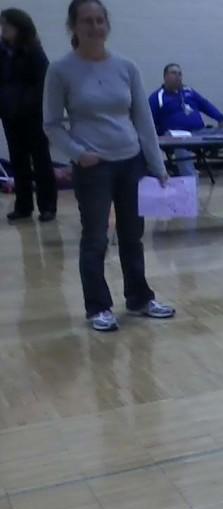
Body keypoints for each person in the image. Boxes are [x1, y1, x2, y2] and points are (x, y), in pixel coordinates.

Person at [43, 0, 175, 332]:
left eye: (100, 20)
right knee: (95, 238)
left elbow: (143, 120)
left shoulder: (126, 67)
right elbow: (52, 124)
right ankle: (98, 307)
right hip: (93, 166)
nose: (94, 27)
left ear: (107, 25)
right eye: (87, 21)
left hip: (131, 162)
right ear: (73, 27)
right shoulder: (60, 71)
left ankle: (140, 298)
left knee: (133, 235)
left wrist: (157, 166)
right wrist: (77, 154)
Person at [148, 63, 223, 186]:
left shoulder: (189, 92)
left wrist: (220, 118)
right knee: (177, 141)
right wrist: (159, 136)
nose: (178, 76)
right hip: (175, 136)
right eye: (174, 73)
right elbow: (149, 121)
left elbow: (205, 104)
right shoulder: (156, 97)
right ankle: (191, 182)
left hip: (199, 132)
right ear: (165, 76)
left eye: (180, 74)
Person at [0, 8, 57, 223]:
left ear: (19, 27)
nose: (3, 29)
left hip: (33, 115)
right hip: (9, 114)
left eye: (7, 25)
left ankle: (48, 206)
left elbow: (43, 84)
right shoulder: (2, 51)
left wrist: (25, 104)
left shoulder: (34, 51)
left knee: (41, 160)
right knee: (18, 161)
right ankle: (23, 206)